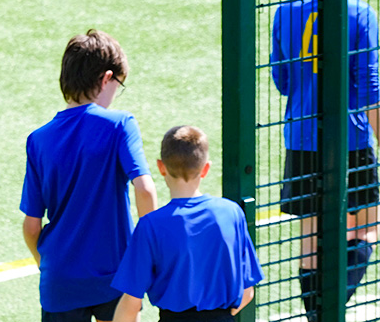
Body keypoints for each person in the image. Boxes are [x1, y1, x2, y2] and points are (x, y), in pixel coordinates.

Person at [271, 0, 380, 316]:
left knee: (311, 238)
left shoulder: (285, 13)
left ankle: (315, 313)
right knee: (366, 228)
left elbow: (283, 81)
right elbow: (370, 92)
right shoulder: (361, 14)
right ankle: (330, 310)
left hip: (301, 137)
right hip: (350, 138)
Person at [22, 29, 158, 322]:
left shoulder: (38, 140)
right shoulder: (120, 124)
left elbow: (32, 226)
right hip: (116, 276)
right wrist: (148, 253)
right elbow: (145, 190)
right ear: (106, 78)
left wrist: (46, 263)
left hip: (59, 278)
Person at [111, 126, 264, 322]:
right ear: (205, 169)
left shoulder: (151, 225)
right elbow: (247, 292)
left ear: (161, 167)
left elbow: (130, 305)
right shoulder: (232, 213)